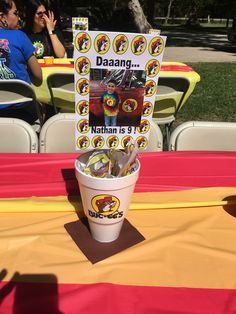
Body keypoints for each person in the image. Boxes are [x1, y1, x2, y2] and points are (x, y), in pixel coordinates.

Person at [0, 0, 42, 124]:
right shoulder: (20, 36)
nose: (19, 18)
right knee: (43, 107)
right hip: (22, 112)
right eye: (16, 13)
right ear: (2, 17)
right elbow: (38, 78)